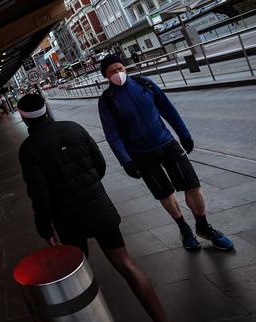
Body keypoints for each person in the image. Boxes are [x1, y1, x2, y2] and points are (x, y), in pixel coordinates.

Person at [17, 93, 195, 322]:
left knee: (79, 281)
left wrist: (45, 226)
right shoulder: (74, 128)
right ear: (47, 109)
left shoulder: (29, 149)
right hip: (99, 208)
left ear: (22, 116)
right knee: (126, 265)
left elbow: (38, 193)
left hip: (68, 219)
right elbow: (98, 166)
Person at [97, 54, 233, 251]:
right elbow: (112, 134)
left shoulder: (145, 84)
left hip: (167, 144)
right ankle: (184, 229)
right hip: (141, 155)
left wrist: (184, 134)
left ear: (125, 68)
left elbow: (168, 109)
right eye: (112, 71)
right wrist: (125, 160)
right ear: (105, 76)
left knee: (192, 185)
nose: (118, 73)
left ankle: (203, 226)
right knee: (164, 193)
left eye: (120, 68)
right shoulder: (107, 101)